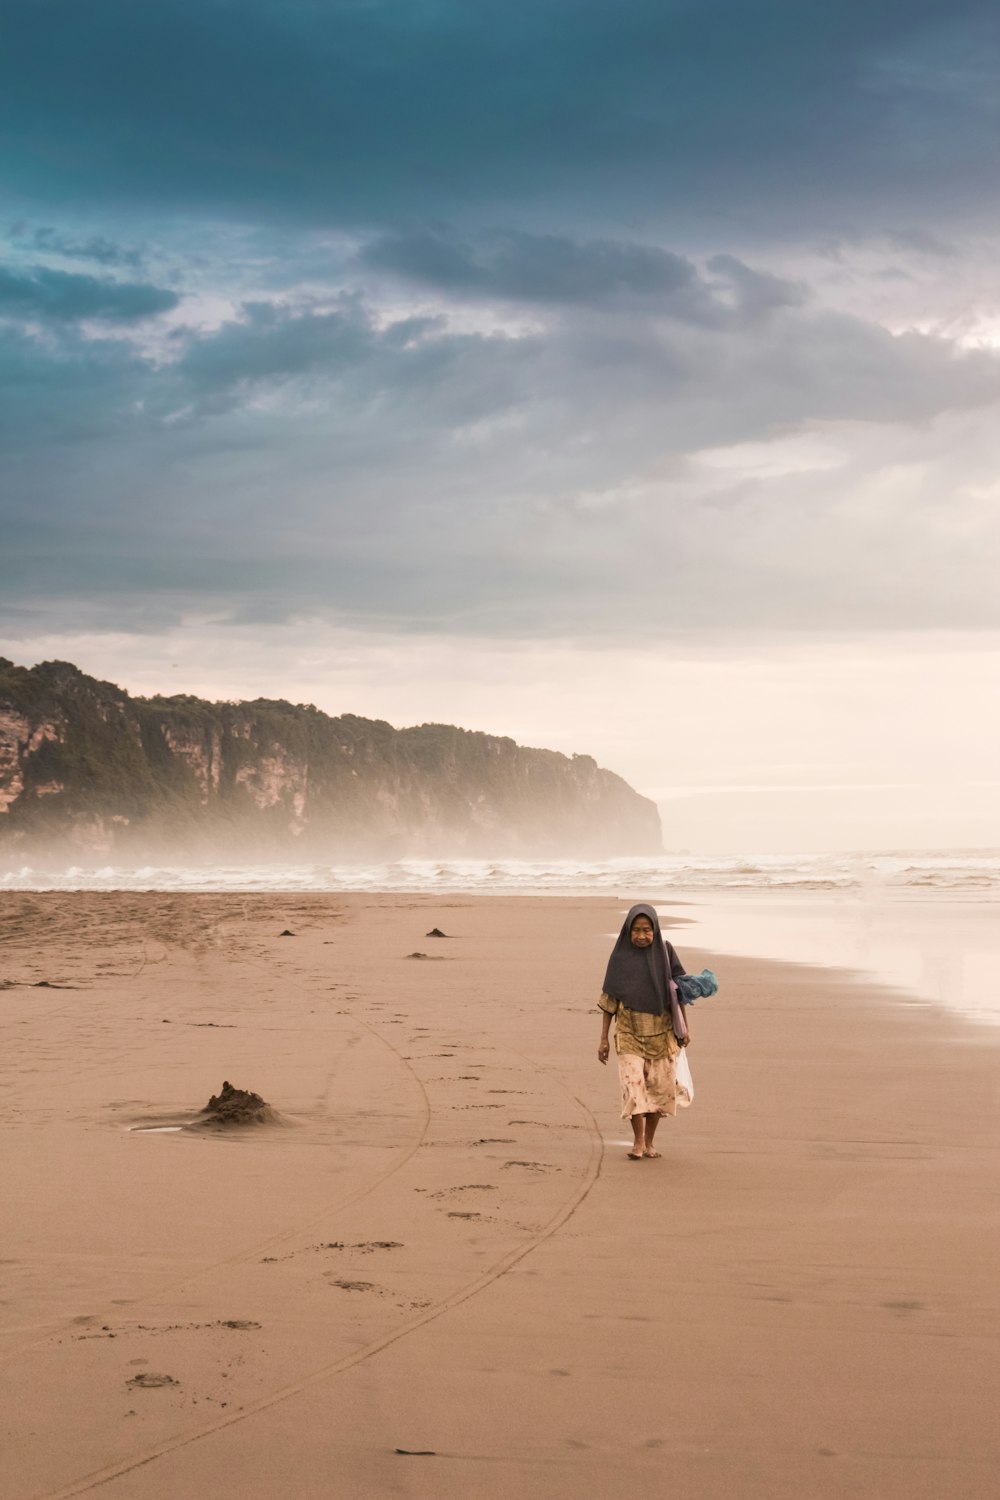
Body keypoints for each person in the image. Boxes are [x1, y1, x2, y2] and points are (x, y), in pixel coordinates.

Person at [597, 902, 691, 1160]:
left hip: (662, 1035)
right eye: (636, 930)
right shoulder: (619, 958)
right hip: (629, 1033)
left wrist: (685, 1027)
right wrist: (603, 1038)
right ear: (628, 931)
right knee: (634, 1087)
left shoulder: (666, 952)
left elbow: (679, 992)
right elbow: (609, 1001)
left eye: (647, 930)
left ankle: (650, 1142)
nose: (641, 935)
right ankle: (638, 1142)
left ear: (655, 930)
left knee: (659, 1091)